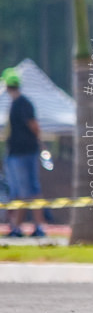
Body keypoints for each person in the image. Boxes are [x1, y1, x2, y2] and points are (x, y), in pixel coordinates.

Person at [3, 68, 46, 237]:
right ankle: (17, 227)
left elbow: (34, 126)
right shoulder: (16, 104)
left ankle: (37, 226)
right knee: (21, 191)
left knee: (29, 190)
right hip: (16, 153)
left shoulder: (23, 104)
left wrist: (41, 144)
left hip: (23, 154)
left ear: (8, 86)